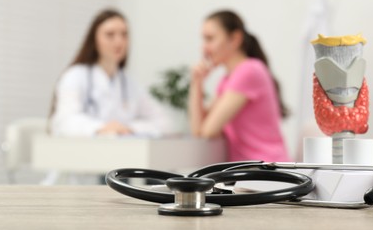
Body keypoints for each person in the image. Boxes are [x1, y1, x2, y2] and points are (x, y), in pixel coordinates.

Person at [188, 10, 290, 162]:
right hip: (250, 172)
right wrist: (197, 82)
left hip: (268, 171)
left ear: (235, 39)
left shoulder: (249, 71)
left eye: (210, 39)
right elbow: (198, 131)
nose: (204, 48)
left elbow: (208, 131)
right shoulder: (227, 80)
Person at [50, 9, 168, 138]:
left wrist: (129, 128)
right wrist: (101, 127)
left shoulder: (130, 83)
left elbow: (164, 123)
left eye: (124, 34)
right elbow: (63, 122)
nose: (119, 42)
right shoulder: (75, 76)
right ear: (94, 40)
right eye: (110, 34)